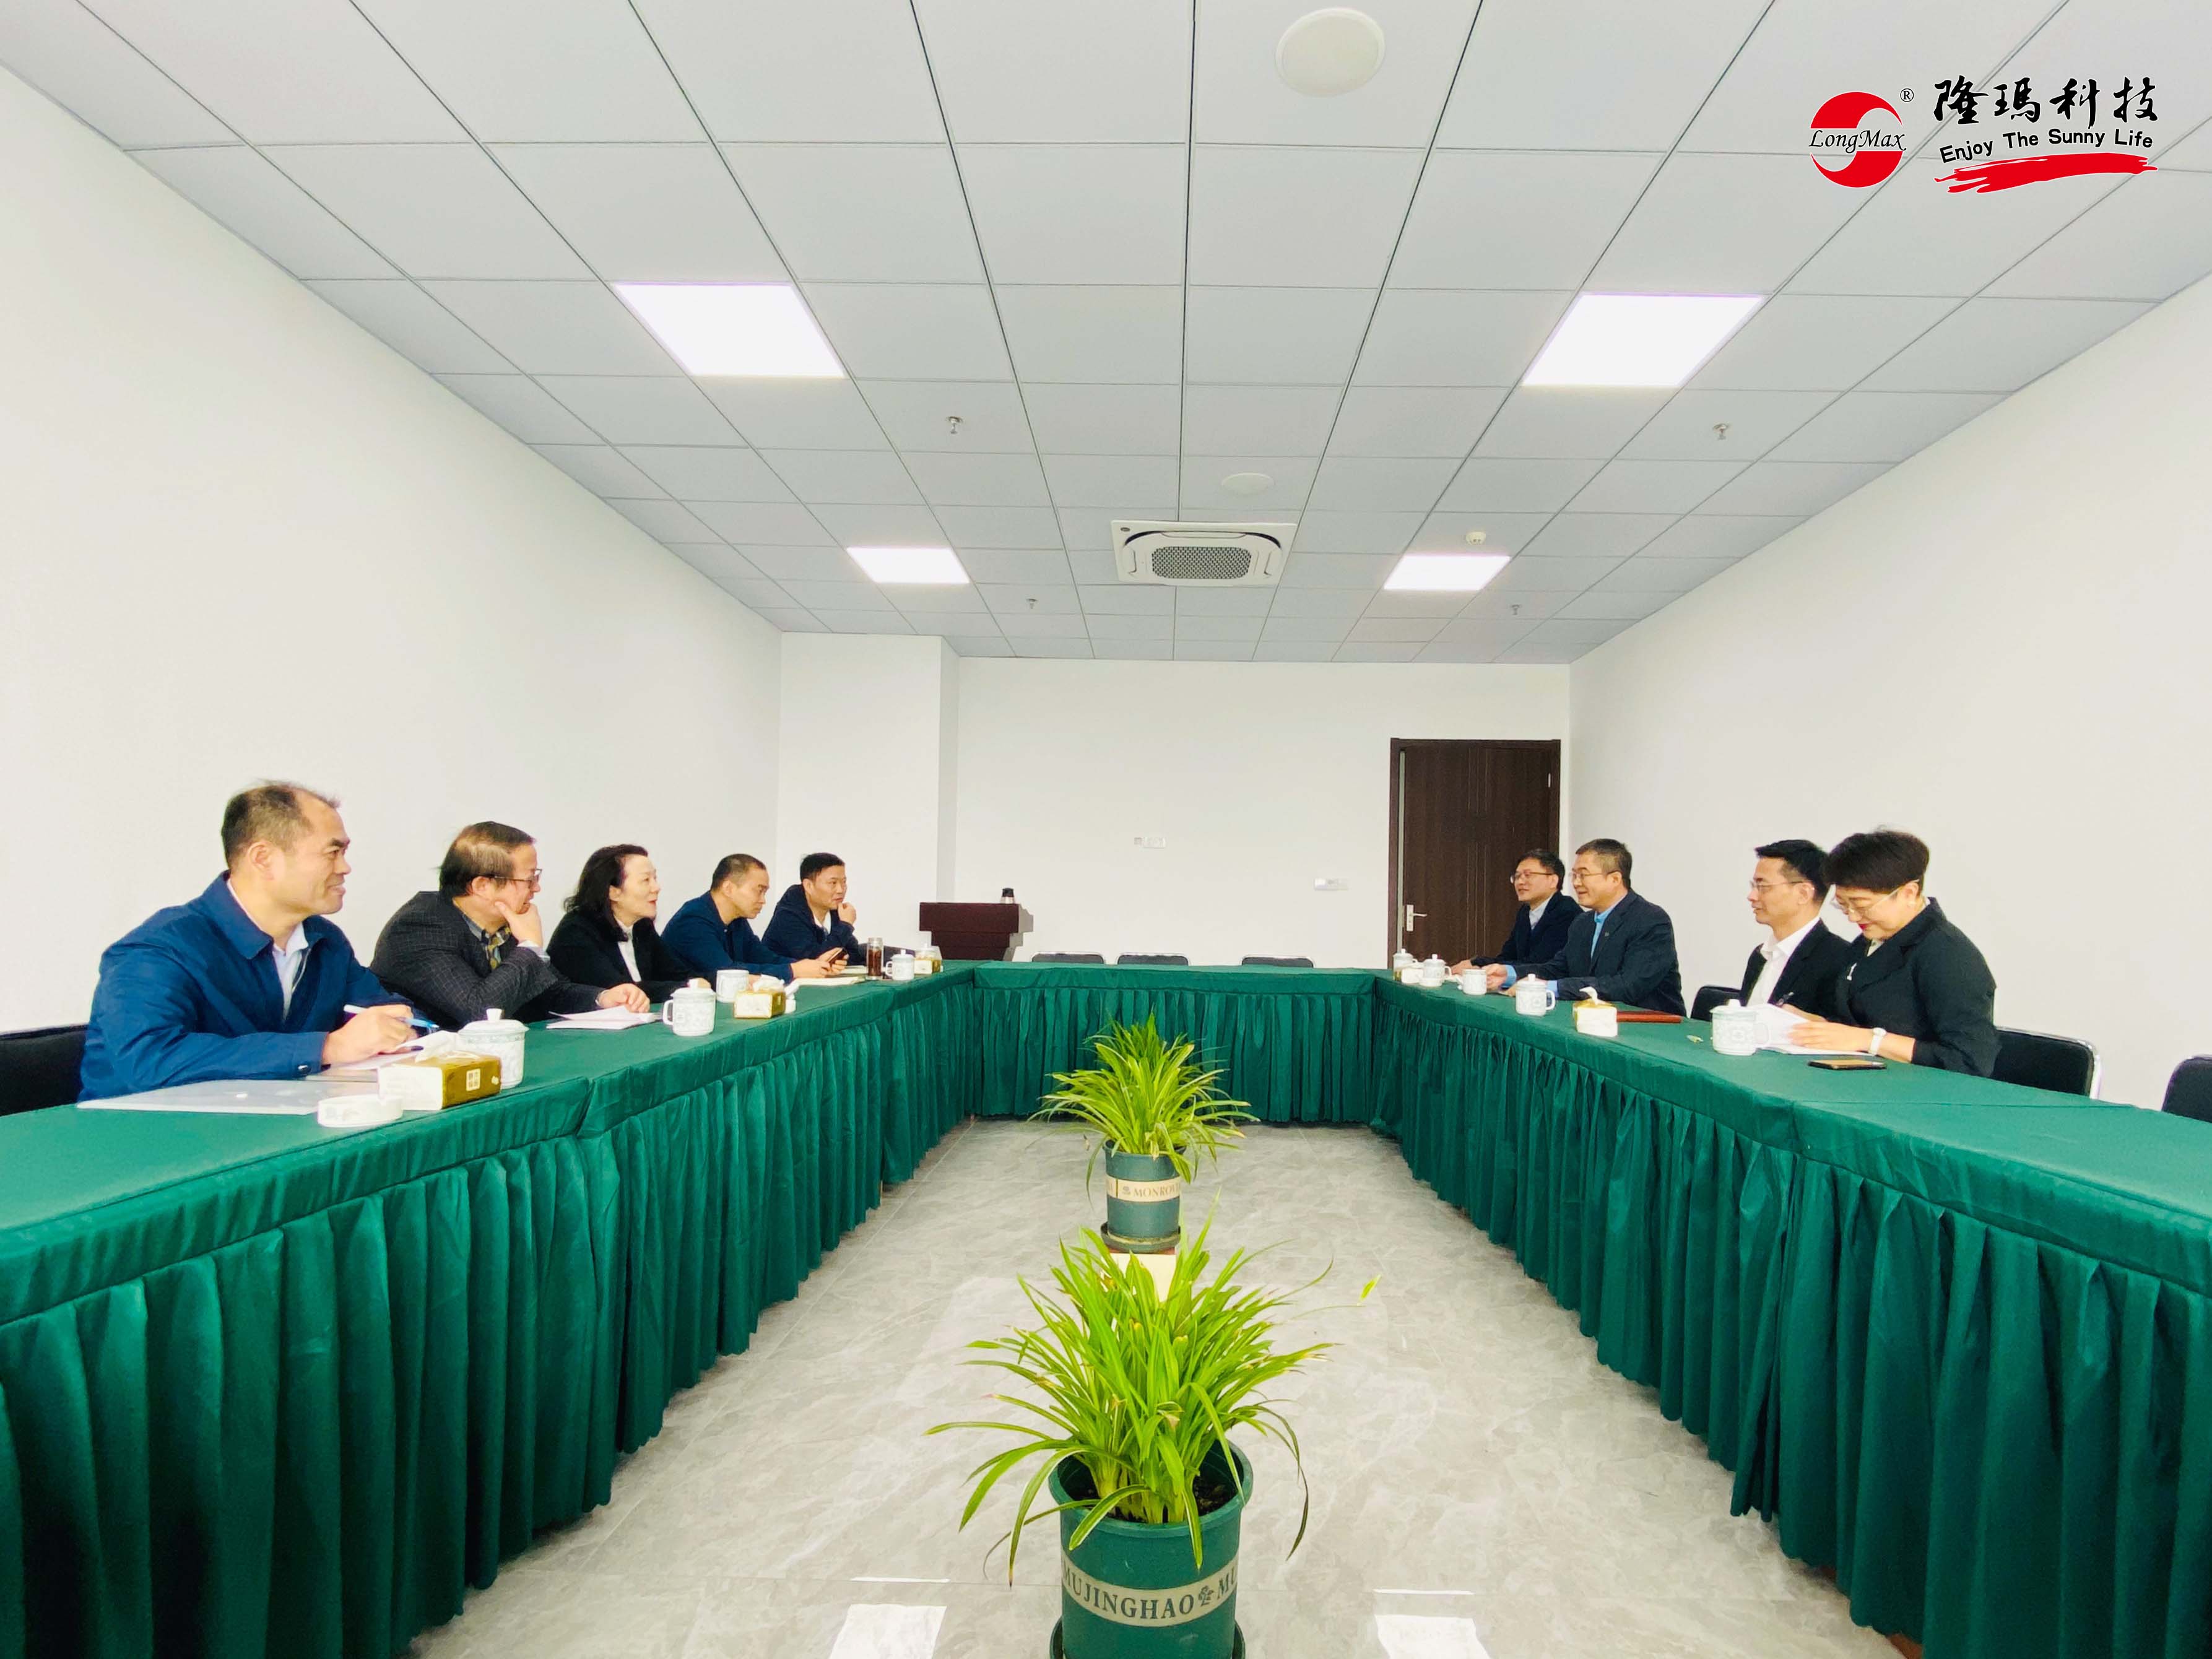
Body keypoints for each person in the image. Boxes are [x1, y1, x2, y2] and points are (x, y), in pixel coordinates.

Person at [79, 782, 416, 1099]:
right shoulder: (158, 949)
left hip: (276, 1123)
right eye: (333, 852)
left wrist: (402, 1029)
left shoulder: (325, 941)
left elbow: (381, 1010)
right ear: (263, 859)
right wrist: (327, 1048)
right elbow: (150, 1060)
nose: (345, 867)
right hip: (146, 1134)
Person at [370, 821, 650, 1029]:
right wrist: (528, 947)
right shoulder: (420, 926)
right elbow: (480, 1012)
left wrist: (603, 998)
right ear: (482, 885)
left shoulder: (505, 924)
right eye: (529, 879)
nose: (537, 889)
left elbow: (550, 991)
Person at [1785, 828, 1998, 1075]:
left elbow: (1970, 1059)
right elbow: (1858, 1019)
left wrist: (1871, 1040)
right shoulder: (1870, 940)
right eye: (1843, 905)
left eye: (1861, 905)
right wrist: (1819, 1026)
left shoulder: (1948, 954)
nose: (1853, 917)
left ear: (1908, 893)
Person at [1485, 838, 1685, 1015]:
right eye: (1574, 876)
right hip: (1593, 1022)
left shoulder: (1650, 920)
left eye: (1583, 875)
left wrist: (1551, 988)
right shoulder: (1583, 923)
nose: (1576, 883)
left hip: (1651, 1027)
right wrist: (1510, 974)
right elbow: (1559, 968)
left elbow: (1627, 986)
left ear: (1615, 879)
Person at [547, 844, 705, 1003]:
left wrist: (703, 982)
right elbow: (622, 992)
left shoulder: (641, 926)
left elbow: (677, 974)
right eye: (646, 880)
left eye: (655, 879)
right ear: (613, 892)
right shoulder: (576, 931)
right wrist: (686, 988)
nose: (657, 888)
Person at [663, 854, 843, 982]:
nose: (763, 900)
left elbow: (763, 957)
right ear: (729, 888)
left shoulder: (737, 920)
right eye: (759, 891)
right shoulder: (692, 921)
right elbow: (726, 972)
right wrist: (793, 970)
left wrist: (813, 966)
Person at [1735, 839, 1855, 1010]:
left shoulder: (1839, 960)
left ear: (1803, 894)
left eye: (1763, 886)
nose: (1752, 896)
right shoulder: (1760, 955)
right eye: (1754, 886)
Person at [1451, 849, 1579, 974]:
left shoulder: (1567, 912)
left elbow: (1542, 963)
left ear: (1553, 881)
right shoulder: (1525, 912)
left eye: (1528, 875)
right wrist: (1476, 964)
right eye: (1517, 876)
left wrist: (1486, 967)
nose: (1520, 882)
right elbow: (1507, 957)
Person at [762, 851, 865, 963]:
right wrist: (846, 926)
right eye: (833, 883)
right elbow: (816, 961)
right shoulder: (788, 916)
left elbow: (854, 954)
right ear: (809, 886)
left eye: (844, 882)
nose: (841, 890)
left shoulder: (834, 910)